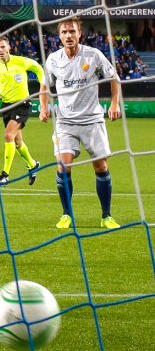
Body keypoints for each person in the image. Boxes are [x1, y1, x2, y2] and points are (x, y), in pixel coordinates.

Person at [39, 17, 122, 230]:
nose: (68, 35)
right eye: (64, 32)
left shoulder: (94, 55)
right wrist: (43, 106)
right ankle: (66, 214)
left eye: (72, 31)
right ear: (59, 36)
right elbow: (44, 86)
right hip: (65, 121)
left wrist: (114, 104)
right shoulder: (53, 59)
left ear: (79, 34)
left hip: (92, 120)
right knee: (63, 165)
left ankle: (106, 215)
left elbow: (114, 78)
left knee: (101, 166)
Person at [0, 36, 43, 185]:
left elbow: (38, 68)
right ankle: (33, 164)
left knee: (8, 135)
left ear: (9, 47)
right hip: (7, 106)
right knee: (17, 142)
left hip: (22, 103)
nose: (0, 50)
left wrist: (44, 85)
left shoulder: (20, 61)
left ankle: (5, 175)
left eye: (3, 47)